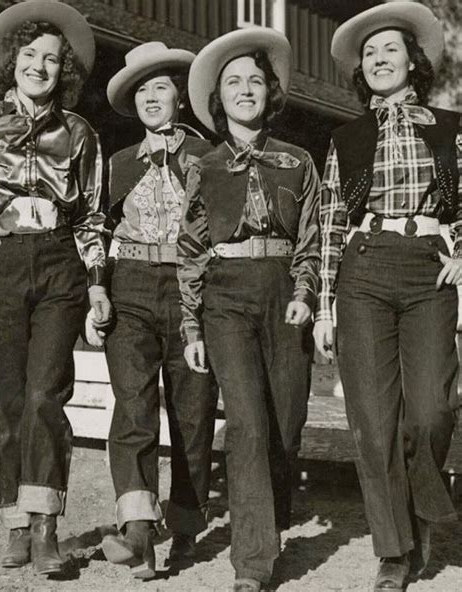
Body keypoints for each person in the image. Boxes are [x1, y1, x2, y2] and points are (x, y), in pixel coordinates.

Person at [314, 2, 461, 591]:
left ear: (412, 61)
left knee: (428, 411)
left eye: (389, 49)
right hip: (363, 271)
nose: (378, 59)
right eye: (369, 53)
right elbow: (328, 221)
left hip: (429, 272)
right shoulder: (347, 137)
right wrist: (325, 304)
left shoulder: (450, 128)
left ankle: (424, 507)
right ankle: (395, 549)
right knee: (373, 423)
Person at [177, 27, 320, 592]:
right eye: (232, 82)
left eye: (253, 81)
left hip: (285, 290)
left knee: (285, 425)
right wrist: (191, 322)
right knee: (246, 424)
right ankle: (254, 563)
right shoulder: (204, 167)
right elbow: (189, 249)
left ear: (270, 92)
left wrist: (306, 291)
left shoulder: (300, 162)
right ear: (220, 98)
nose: (244, 90)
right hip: (225, 294)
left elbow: (311, 238)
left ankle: (272, 517)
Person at [85, 42, 218, 579]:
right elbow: (94, 227)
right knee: (133, 405)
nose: (150, 98)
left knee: (193, 413)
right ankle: (137, 526)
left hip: (193, 290)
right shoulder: (118, 163)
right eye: (140, 91)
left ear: (180, 98)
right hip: (131, 287)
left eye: (160, 86)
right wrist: (97, 285)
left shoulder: (211, 157)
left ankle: (185, 526)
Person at [0, 0, 109, 576]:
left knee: (45, 394)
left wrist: (97, 281)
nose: (40, 66)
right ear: (13, 63)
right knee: (7, 401)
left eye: (53, 60)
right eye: (31, 56)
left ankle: (46, 527)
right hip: (0, 265)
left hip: (60, 262)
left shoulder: (81, 134)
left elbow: (91, 217)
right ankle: (16, 520)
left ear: (66, 72)